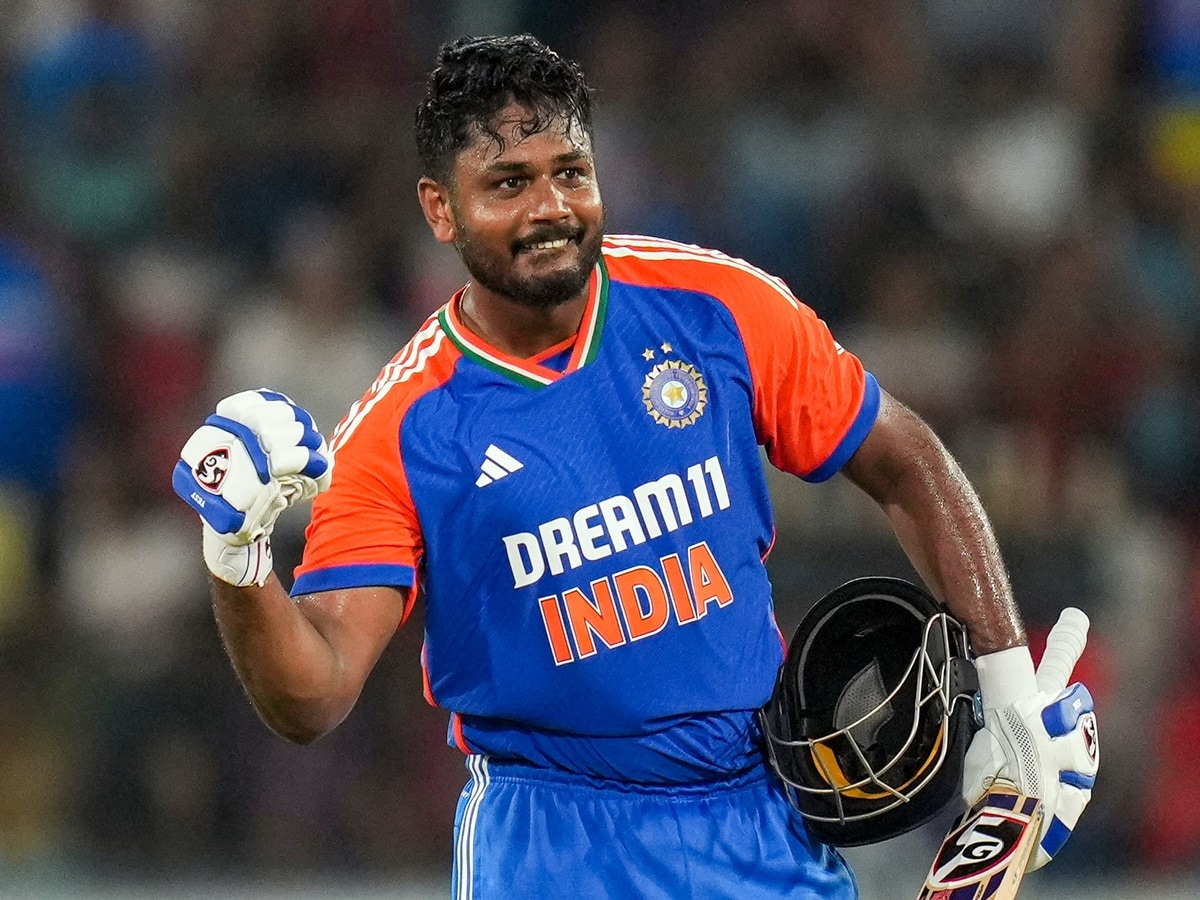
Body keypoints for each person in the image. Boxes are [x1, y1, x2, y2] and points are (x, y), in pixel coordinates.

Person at [172, 34, 1097, 898]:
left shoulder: (716, 306)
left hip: (762, 816)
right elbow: (316, 692)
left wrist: (1009, 692)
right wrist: (237, 556)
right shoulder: (400, 431)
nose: (549, 208)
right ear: (439, 208)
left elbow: (906, 461)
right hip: (552, 842)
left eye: (569, 173)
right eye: (508, 183)